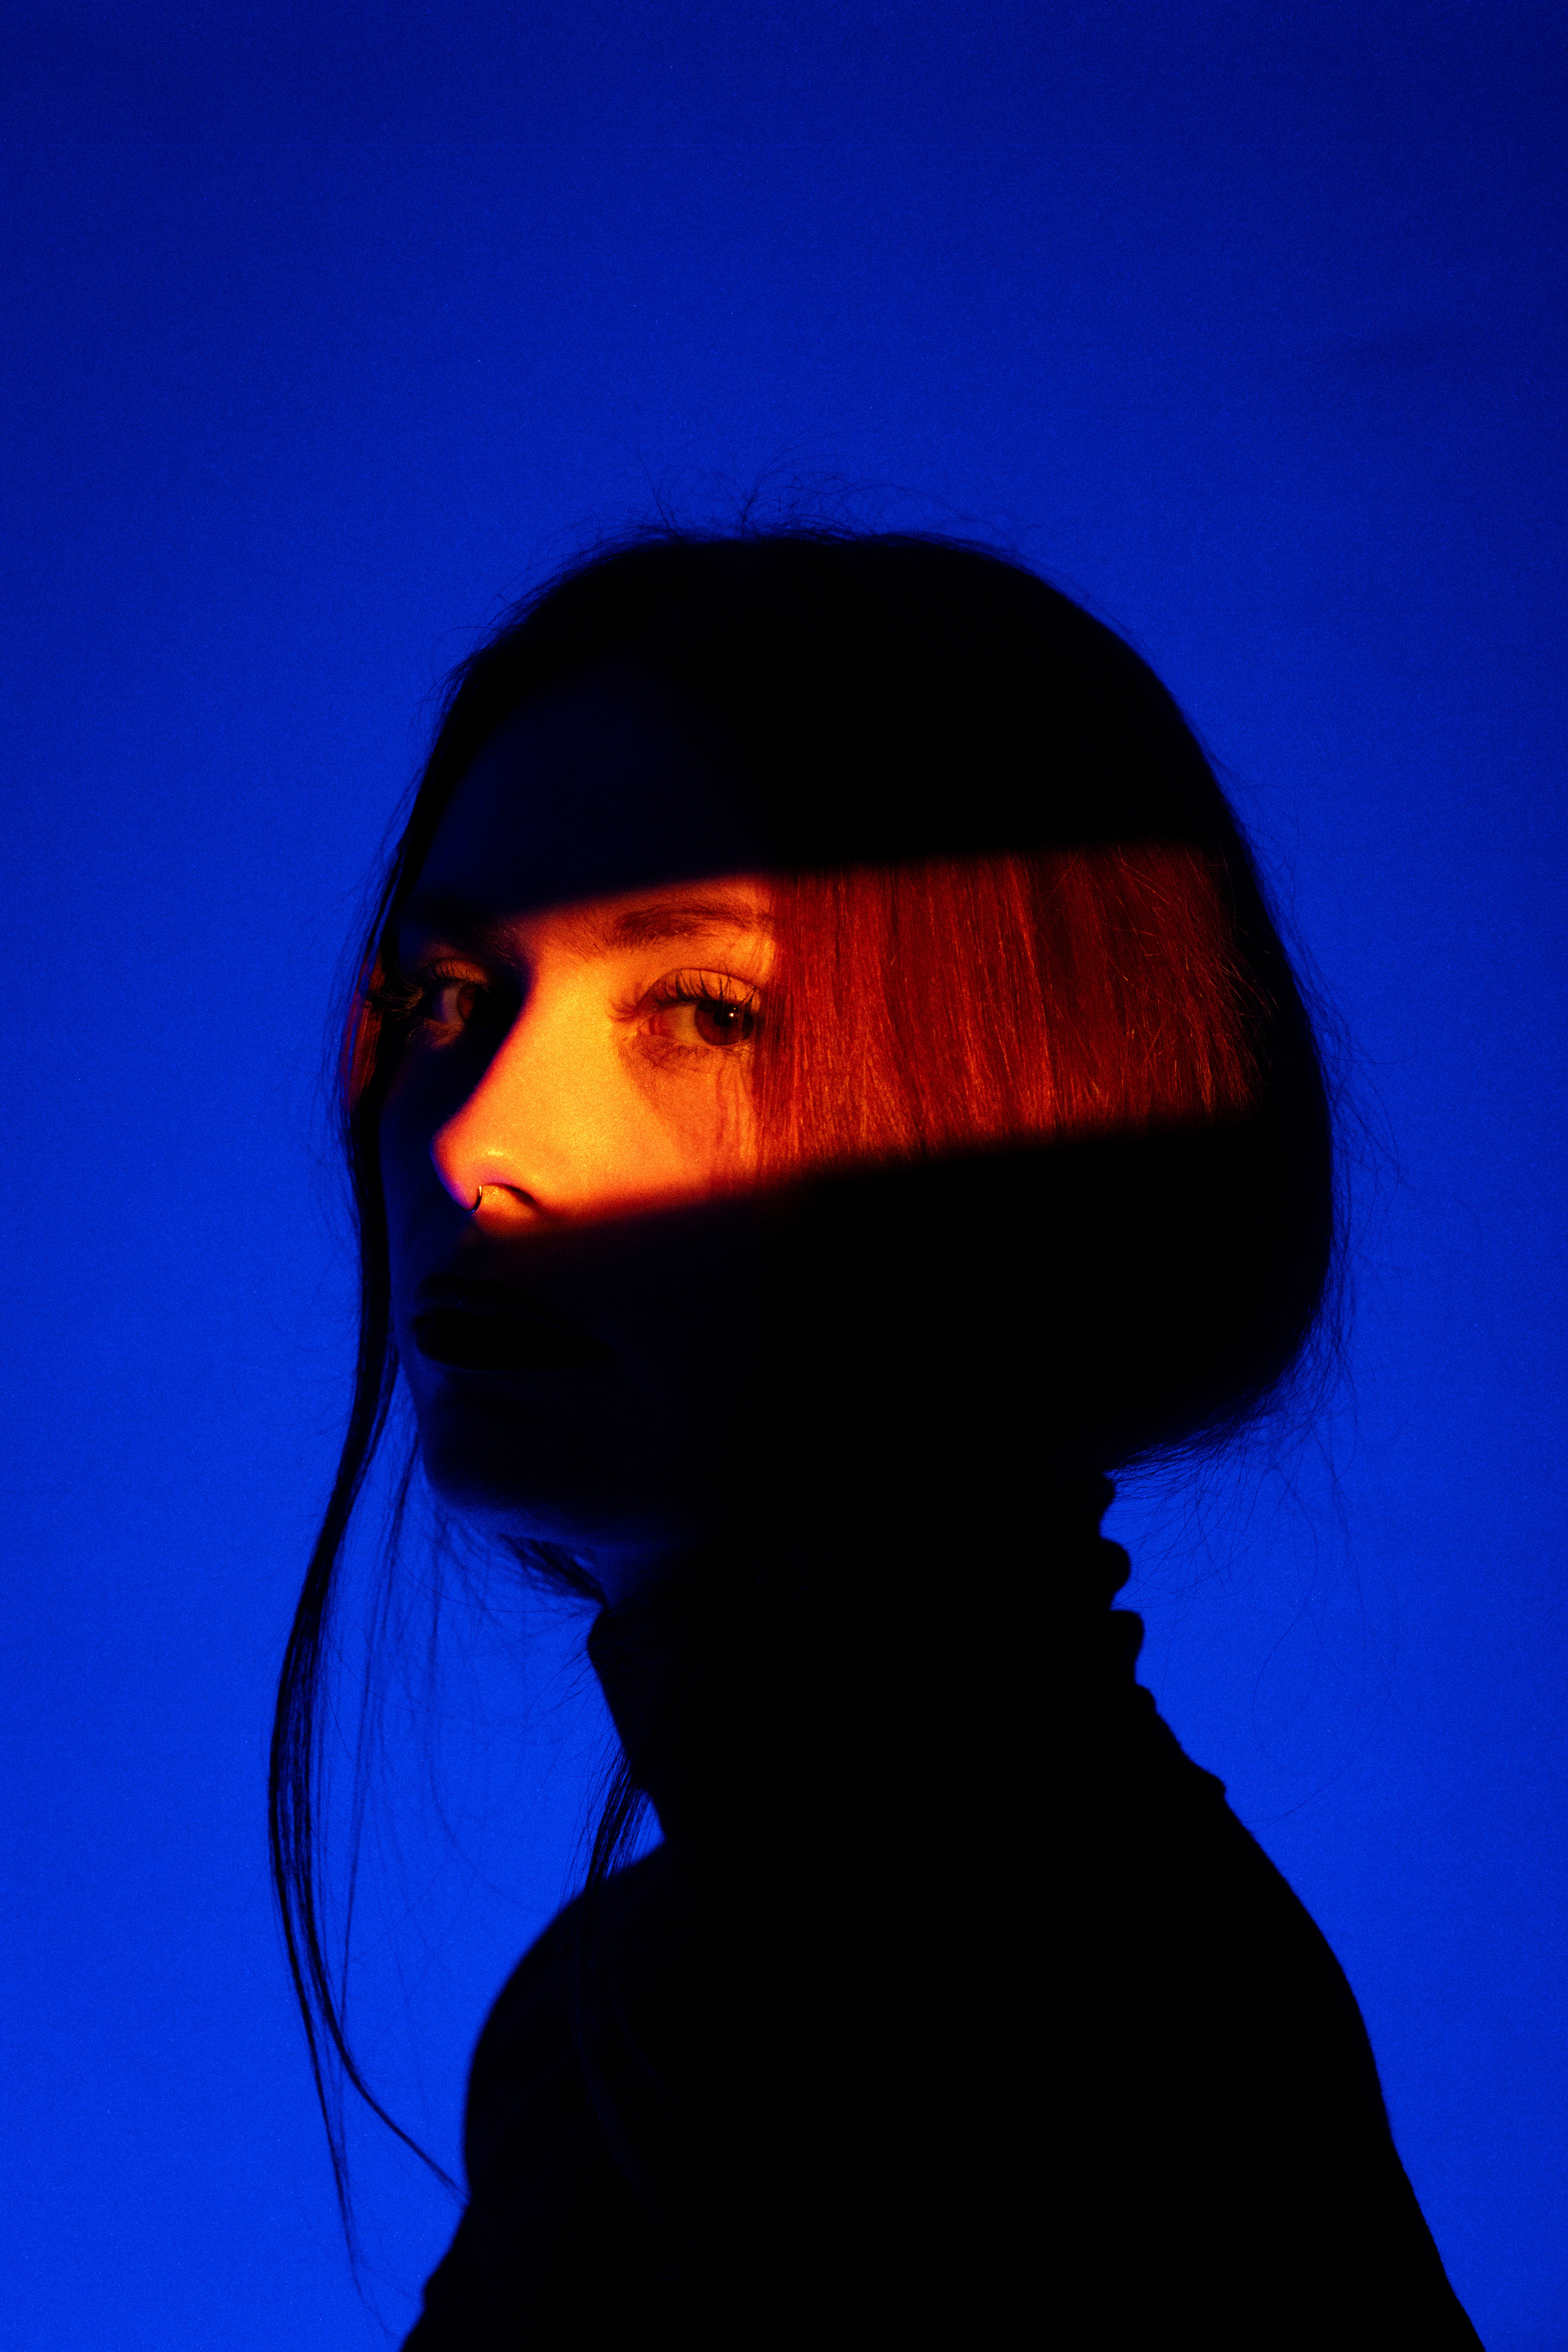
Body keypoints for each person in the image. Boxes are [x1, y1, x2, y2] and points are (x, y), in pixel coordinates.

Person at [271, 526, 1483, 2344]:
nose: (470, 1144)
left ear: (1035, 1093)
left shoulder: (1049, 2048)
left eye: (699, 1009)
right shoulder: (676, 2011)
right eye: (448, 999)